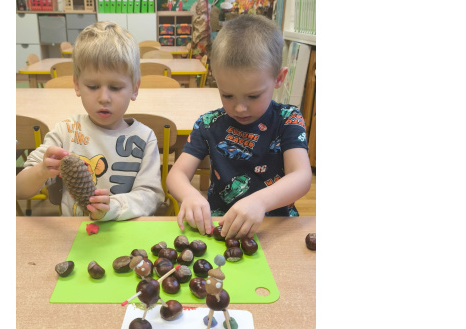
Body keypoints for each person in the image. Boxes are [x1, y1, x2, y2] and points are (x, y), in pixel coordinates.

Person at [166, 14, 312, 239]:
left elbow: (301, 176)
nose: (240, 108)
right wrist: (189, 195)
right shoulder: (208, 123)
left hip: (274, 229)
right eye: (227, 95)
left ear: (279, 78)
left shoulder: (288, 119)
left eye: (253, 96)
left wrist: (260, 201)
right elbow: (176, 174)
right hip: (221, 228)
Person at [16, 21, 164, 220]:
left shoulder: (145, 138)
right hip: (76, 232)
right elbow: (19, 189)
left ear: (134, 89)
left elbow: (151, 197)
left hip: (125, 231)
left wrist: (114, 206)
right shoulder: (66, 132)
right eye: (93, 87)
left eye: (115, 88)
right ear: (77, 85)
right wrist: (42, 170)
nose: (104, 98)